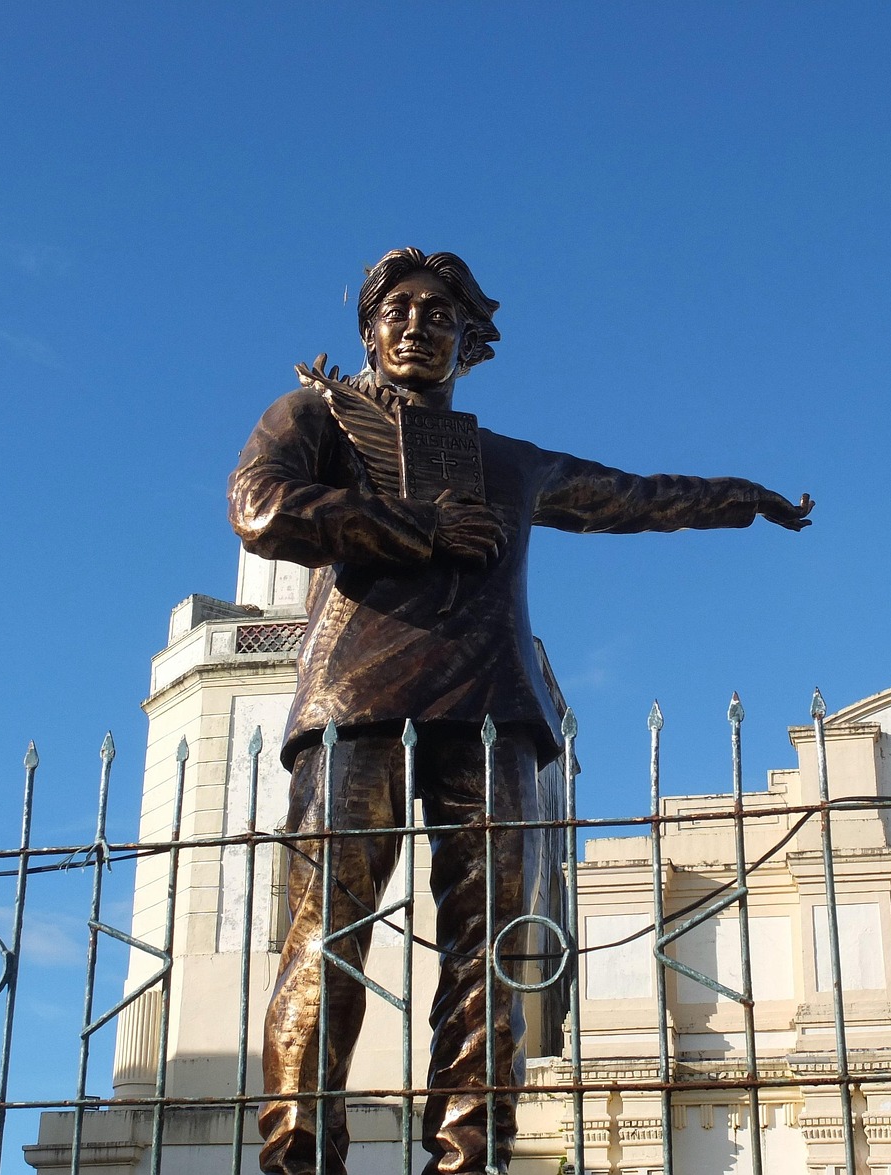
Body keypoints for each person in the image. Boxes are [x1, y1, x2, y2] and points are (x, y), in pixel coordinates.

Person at [228, 248, 813, 1175]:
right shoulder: (316, 415)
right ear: (370, 333)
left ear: (471, 340)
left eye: (439, 312)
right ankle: (300, 1156)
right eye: (399, 310)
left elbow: (637, 498)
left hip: (494, 710)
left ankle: (468, 1154)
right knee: (327, 936)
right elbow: (262, 508)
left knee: (493, 947)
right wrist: (417, 529)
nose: (417, 324)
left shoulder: (512, 462)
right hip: (357, 702)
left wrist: (740, 499)